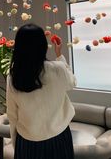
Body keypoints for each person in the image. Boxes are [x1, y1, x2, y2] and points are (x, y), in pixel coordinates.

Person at [6, 23, 77, 159]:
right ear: (43, 46)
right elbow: (72, 83)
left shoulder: (13, 77)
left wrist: (15, 142)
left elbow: (12, 114)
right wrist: (59, 55)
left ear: (18, 48)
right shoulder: (58, 69)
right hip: (59, 138)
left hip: (27, 141)